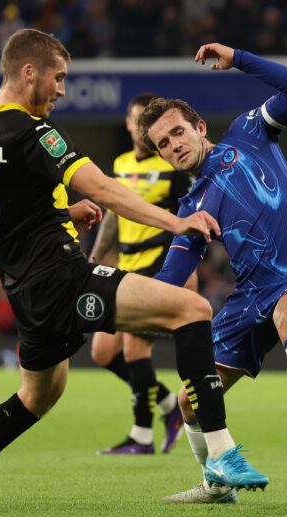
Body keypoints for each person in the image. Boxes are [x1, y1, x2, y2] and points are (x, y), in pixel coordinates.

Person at [0, 29, 267, 512]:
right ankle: (221, 454)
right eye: (57, 78)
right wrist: (176, 220)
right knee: (192, 307)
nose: (61, 89)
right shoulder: (36, 133)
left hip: (24, 291)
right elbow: (104, 188)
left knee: (34, 399)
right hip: (63, 279)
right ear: (28, 71)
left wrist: (61, 215)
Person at [139, 42, 287, 504]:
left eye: (178, 133)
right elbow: (171, 278)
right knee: (191, 400)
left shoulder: (248, 134)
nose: (174, 146)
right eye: (163, 144)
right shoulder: (190, 209)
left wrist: (240, 59)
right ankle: (214, 484)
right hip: (248, 297)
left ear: (199, 127)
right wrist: (121, 295)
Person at [89, 93, 195, 456]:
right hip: (126, 265)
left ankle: (141, 436)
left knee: (134, 346)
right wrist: (95, 256)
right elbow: (114, 215)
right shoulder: (119, 164)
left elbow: (187, 217)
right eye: (134, 122)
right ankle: (167, 405)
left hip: (159, 264)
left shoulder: (170, 167)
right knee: (103, 352)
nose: (140, 129)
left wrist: (187, 272)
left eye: (144, 124)